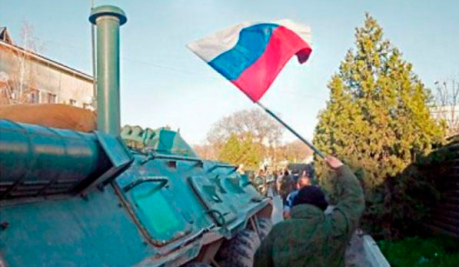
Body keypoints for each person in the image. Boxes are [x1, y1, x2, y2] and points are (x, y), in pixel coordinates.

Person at [254, 156, 364, 267]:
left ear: (296, 203)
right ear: (322, 205)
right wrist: (341, 168)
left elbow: (260, 262)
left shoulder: (279, 231)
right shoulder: (334, 226)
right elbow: (354, 199)